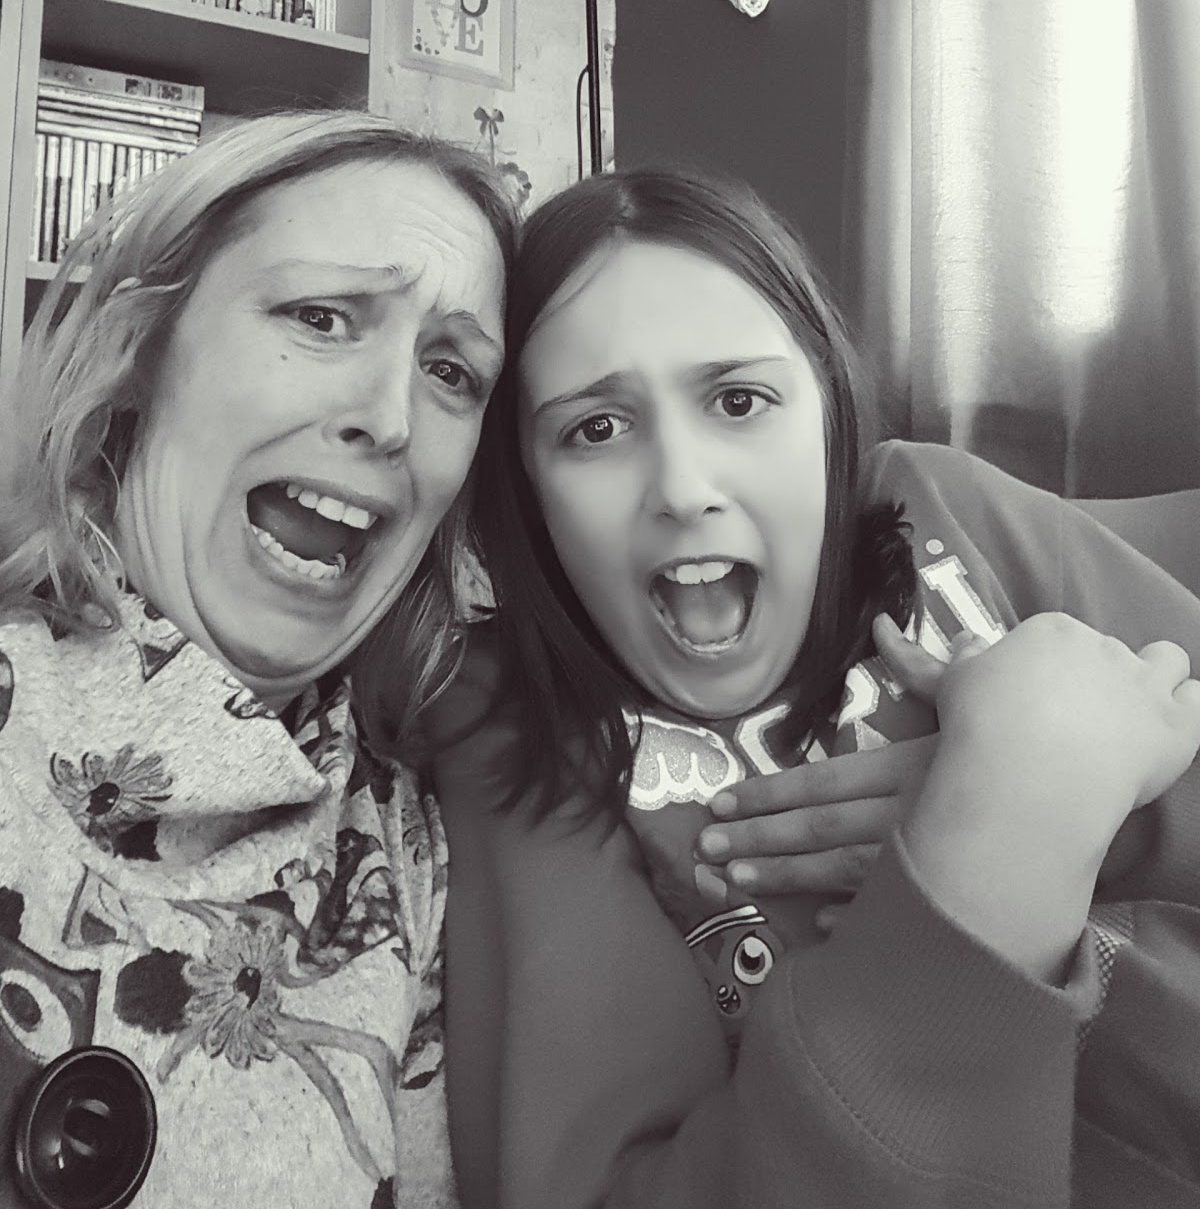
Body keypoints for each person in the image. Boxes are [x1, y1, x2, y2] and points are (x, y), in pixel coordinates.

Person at [435, 165, 1200, 1209]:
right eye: (595, 428)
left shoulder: (946, 510)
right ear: (527, 494)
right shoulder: (514, 723)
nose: (684, 489)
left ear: (828, 410)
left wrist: (1098, 801)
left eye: (739, 400)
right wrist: (995, 845)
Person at [0, 110, 517, 1209]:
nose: (391, 417)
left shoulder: (410, 857)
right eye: (321, 317)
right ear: (142, 349)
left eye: (452, 371)